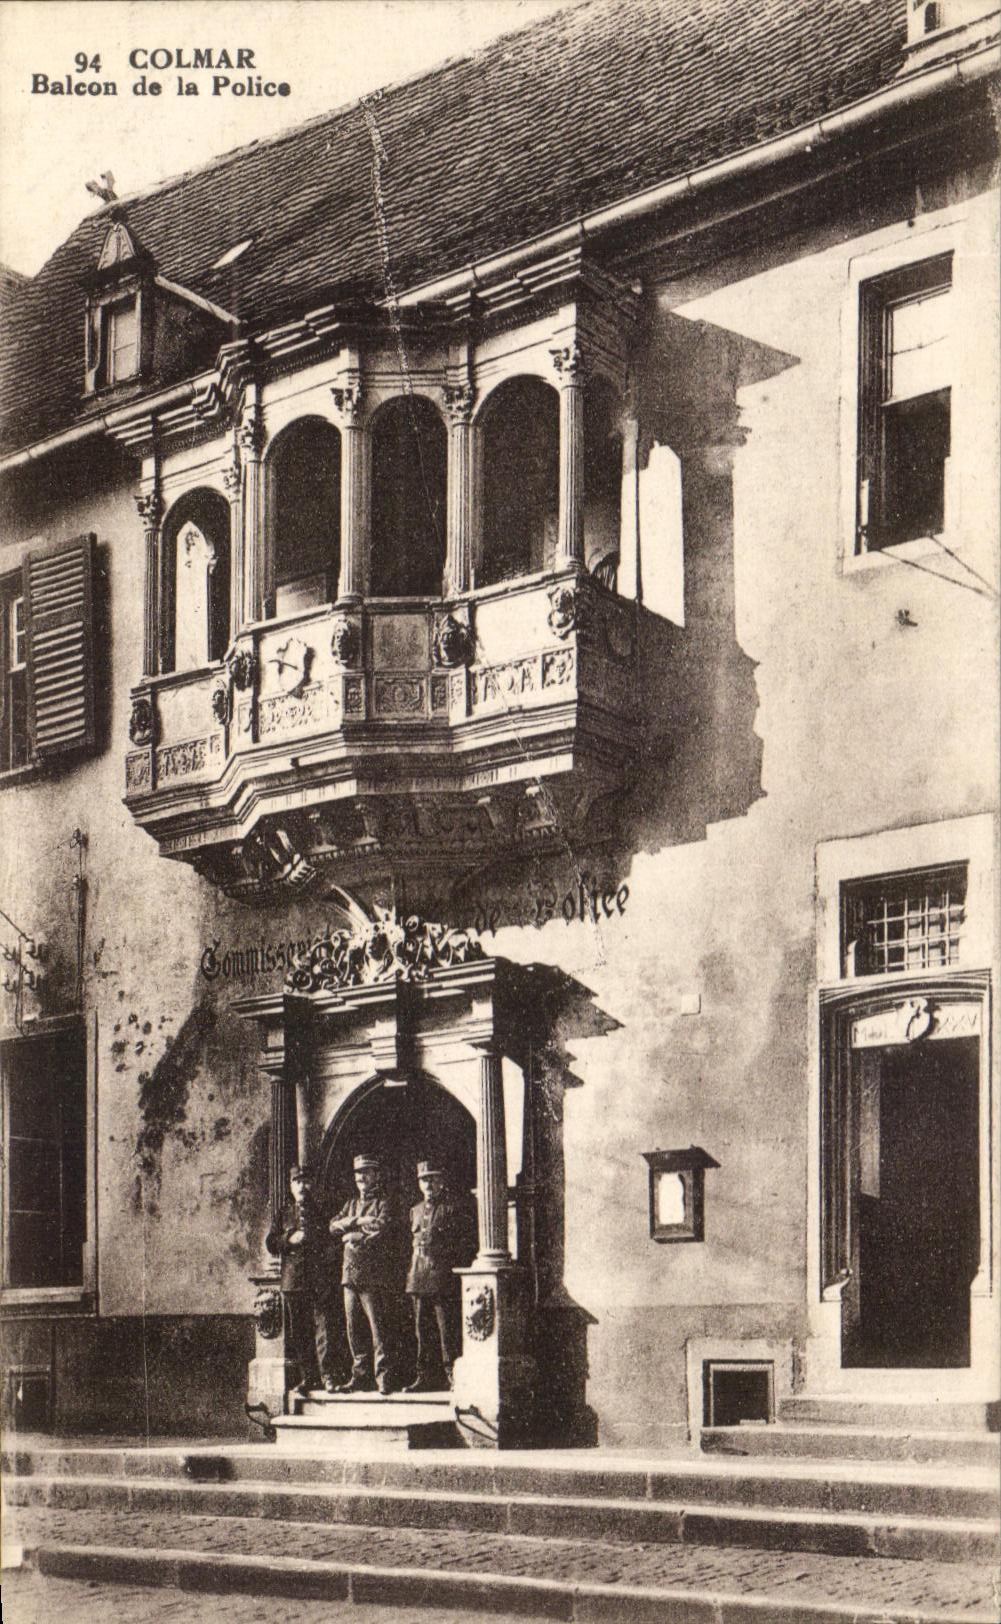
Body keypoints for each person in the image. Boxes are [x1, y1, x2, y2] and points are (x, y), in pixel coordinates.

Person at [328, 1153, 403, 1395]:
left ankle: (384, 1378)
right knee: (354, 1330)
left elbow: (383, 1228)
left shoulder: (384, 1202)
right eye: (358, 1174)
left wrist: (355, 1235)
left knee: (378, 1329)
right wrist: (358, 1221)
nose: (361, 1177)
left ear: (376, 1176)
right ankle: (360, 1377)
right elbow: (332, 1226)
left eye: (367, 1173)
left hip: (373, 1275)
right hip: (349, 1276)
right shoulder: (350, 1204)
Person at [404, 1159, 478, 1392]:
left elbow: (464, 1243)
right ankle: (423, 1376)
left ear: (441, 1182)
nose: (428, 1184)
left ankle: (451, 1375)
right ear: (419, 1183)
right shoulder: (414, 1211)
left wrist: (444, 1255)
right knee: (421, 1331)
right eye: (424, 1180)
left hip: (441, 1277)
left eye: (433, 1179)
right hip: (417, 1277)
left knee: (447, 1331)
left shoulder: (451, 1209)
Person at [265, 1164, 337, 1395]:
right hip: (293, 1281)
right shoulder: (284, 1213)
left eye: (306, 1181)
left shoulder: (323, 1212)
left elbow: (334, 1243)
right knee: (300, 1332)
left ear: (312, 1184)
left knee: (324, 1329)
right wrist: (289, 1238)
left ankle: (329, 1377)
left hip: (319, 1280)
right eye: (297, 1182)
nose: (302, 1186)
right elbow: (271, 1243)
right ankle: (310, 1378)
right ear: (291, 1185)